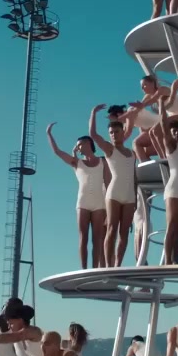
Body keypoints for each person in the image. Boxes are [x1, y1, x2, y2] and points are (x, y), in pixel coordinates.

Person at [46, 123, 109, 269]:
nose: (78, 147)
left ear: (88, 143)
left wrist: (109, 206)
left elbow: (108, 183)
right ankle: (84, 269)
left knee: (97, 239)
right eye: (77, 146)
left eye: (80, 145)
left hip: (99, 203)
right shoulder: (77, 162)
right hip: (83, 203)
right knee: (83, 237)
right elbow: (57, 152)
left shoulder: (103, 161)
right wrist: (49, 134)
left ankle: (95, 269)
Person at [148, 88, 178, 266]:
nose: (176, 133)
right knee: (172, 226)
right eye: (174, 131)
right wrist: (161, 105)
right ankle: (167, 260)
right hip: (174, 190)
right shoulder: (171, 146)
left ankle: (175, 260)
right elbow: (163, 126)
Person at [90, 105, 138, 268]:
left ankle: (117, 265)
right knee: (112, 229)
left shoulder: (132, 153)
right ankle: (108, 266)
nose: (113, 135)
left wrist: (136, 198)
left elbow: (134, 176)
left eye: (116, 132)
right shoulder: (109, 149)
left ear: (123, 132)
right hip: (114, 193)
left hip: (130, 195)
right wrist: (93, 113)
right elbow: (93, 135)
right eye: (111, 133)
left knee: (125, 233)